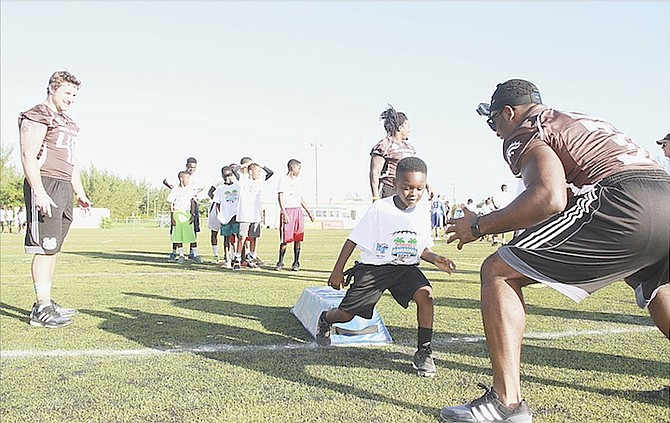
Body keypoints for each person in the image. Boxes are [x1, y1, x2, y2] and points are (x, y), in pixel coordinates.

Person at [441, 79, 669, 423]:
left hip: (625, 200)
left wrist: (478, 226)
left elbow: (548, 198)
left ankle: (507, 403)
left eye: (493, 122)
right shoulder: (576, 118)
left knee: (498, 271)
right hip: (664, 196)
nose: (496, 131)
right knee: (660, 289)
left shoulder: (526, 130)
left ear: (509, 112)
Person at [316, 157, 456, 378]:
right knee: (346, 315)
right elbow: (353, 239)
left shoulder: (422, 211)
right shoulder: (380, 208)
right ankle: (326, 318)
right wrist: (337, 270)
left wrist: (435, 258)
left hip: (405, 269)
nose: (413, 193)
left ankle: (424, 351)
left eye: (419, 188)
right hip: (374, 270)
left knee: (426, 296)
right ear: (395, 184)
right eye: (407, 187)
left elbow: (420, 248)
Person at [19, 70, 92, 328]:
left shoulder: (69, 123)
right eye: (67, 92)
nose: (71, 98)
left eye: (75, 94)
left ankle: (46, 302)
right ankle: (41, 308)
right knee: (44, 247)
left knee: (53, 248)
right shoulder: (38, 114)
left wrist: (79, 191)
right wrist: (38, 190)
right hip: (46, 183)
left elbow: (72, 161)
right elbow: (28, 155)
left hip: (63, 186)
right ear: (52, 88)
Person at [369, 105, 416, 201]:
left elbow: (415, 170)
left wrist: (427, 186)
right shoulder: (384, 146)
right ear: (399, 128)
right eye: (407, 126)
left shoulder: (409, 148)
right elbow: (374, 173)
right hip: (389, 189)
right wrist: (375, 197)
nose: (409, 130)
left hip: (406, 190)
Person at [232, 161, 273, 270]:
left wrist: (260, 164)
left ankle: (251, 258)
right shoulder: (243, 179)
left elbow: (270, 173)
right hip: (244, 214)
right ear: (251, 171)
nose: (260, 173)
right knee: (242, 237)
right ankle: (237, 259)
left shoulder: (259, 181)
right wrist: (248, 164)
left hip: (255, 215)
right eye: (258, 171)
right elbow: (234, 170)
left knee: (254, 238)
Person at [275, 159, 314, 271]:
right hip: (288, 210)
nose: (299, 171)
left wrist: (308, 211)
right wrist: (284, 212)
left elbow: (300, 197)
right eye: (298, 168)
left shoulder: (299, 181)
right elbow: (280, 197)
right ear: (293, 168)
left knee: (298, 237)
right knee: (285, 239)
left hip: (298, 211)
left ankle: (296, 262)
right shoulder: (283, 180)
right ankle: (280, 262)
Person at [163, 157, 204, 263]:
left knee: (192, 231)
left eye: (194, 167)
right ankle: (175, 253)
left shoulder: (195, 180)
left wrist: (193, 213)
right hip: (178, 211)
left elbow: (201, 188)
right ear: (186, 166)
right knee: (177, 233)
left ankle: (193, 253)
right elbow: (166, 181)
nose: (192, 169)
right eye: (190, 167)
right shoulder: (179, 179)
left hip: (189, 209)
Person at [167, 171, 197, 264]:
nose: (188, 180)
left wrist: (193, 214)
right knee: (178, 236)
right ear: (181, 178)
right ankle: (181, 255)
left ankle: (195, 254)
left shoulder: (190, 189)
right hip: (177, 213)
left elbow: (192, 202)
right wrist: (172, 217)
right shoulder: (175, 190)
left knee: (191, 234)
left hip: (186, 213)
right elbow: (171, 203)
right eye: (186, 178)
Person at [214, 166, 240, 269]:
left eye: (229, 175)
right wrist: (219, 216)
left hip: (236, 216)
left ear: (232, 175)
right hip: (225, 217)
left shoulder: (237, 186)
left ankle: (236, 258)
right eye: (225, 176)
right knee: (226, 238)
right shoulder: (220, 189)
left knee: (237, 237)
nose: (227, 178)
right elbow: (217, 204)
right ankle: (227, 259)